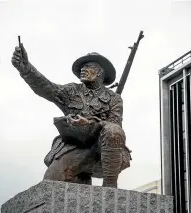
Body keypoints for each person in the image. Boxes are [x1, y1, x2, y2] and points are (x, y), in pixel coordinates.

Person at [11, 44, 131, 188]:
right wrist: (25, 68)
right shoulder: (72, 90)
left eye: (88, 67)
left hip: (101, 149)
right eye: (82, 67)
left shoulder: (114, 98)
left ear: (100, 73)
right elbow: (46, 88)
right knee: (51, 182)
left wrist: (91, 123)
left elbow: (115, 126)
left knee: (114, 131)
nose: (83, 70)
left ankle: (110, 187)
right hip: (74, 146)